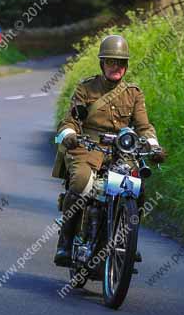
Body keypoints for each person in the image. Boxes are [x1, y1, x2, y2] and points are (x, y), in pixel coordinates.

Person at [52, 34, 166, 266]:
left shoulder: (133, 93)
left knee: (137, 187)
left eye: (120, 63)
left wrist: (153, 146)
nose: (116, 67)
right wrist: (70, 136)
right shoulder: (86, 88)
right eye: (111, 62)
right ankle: (65, 241)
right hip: (87, 147)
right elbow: (69, 121)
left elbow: (144, 126)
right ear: (102, 63)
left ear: (126, 66)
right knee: (81, 182)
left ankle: (126, 240)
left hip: (122, 151)